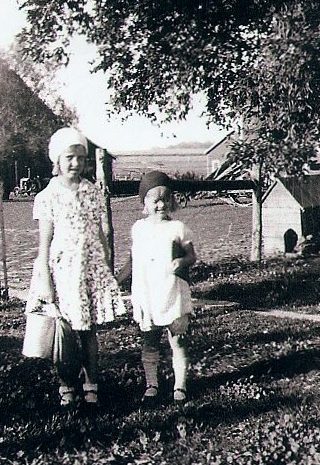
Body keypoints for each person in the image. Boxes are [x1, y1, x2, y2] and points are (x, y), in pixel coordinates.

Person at [27, 127, 126, 407]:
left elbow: (100, 233)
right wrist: (45, 277)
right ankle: (67, 384)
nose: (75, 164)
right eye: (69, 157)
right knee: (65, 331)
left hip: (90, 269)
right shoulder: (47, 196)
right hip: (63, 271)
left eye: (80, 158)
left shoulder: (93, 192)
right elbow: (44, 243)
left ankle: (91, 384)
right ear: (56, 160)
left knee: (89, 330)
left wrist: (106, 267)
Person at [119, 171, 196, 405]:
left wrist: (181, 261)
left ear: (172, 200)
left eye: (166, 198)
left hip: (173, 291)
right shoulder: (139, 228)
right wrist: (117, 279)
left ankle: (180, 385)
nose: (161, 204)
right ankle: (151, 383)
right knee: (149, 340)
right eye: (155, 200)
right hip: (148, 292)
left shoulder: (178, 228)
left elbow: (192, 256)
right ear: (144, 202)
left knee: (178, 339)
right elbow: (132, 260)